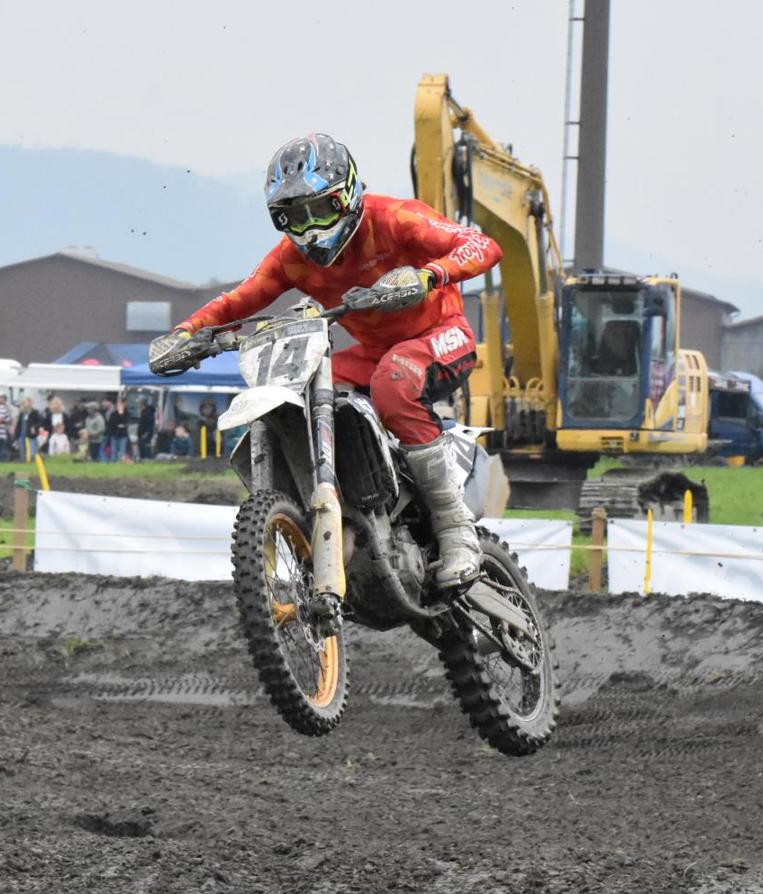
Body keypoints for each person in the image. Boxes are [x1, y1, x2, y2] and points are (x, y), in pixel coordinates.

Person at [152, 133, 503, 588]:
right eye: (293, 217)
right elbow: (237, 300)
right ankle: (343, 515)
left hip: (440, 335)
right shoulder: (290, 259)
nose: (310, 229)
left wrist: (429, 275)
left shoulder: (395, 218)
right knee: (299, 398)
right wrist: (186, 333)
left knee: (394, 381)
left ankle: (456, 531)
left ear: (348, 195)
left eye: (320, 210)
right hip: (374, 354)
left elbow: (481, 244)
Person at [105, 396, 131, 462]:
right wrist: (118, 425)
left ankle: (121, 463)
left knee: (122, 451)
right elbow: (110, 424)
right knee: (114, 451)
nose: (120, 405)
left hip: (123, 435)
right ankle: (113, 463)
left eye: (122, 403)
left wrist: (121, 414)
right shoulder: (113, 414)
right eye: (119, 403)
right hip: (114, 434)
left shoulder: (127, 414)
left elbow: (126, 422)